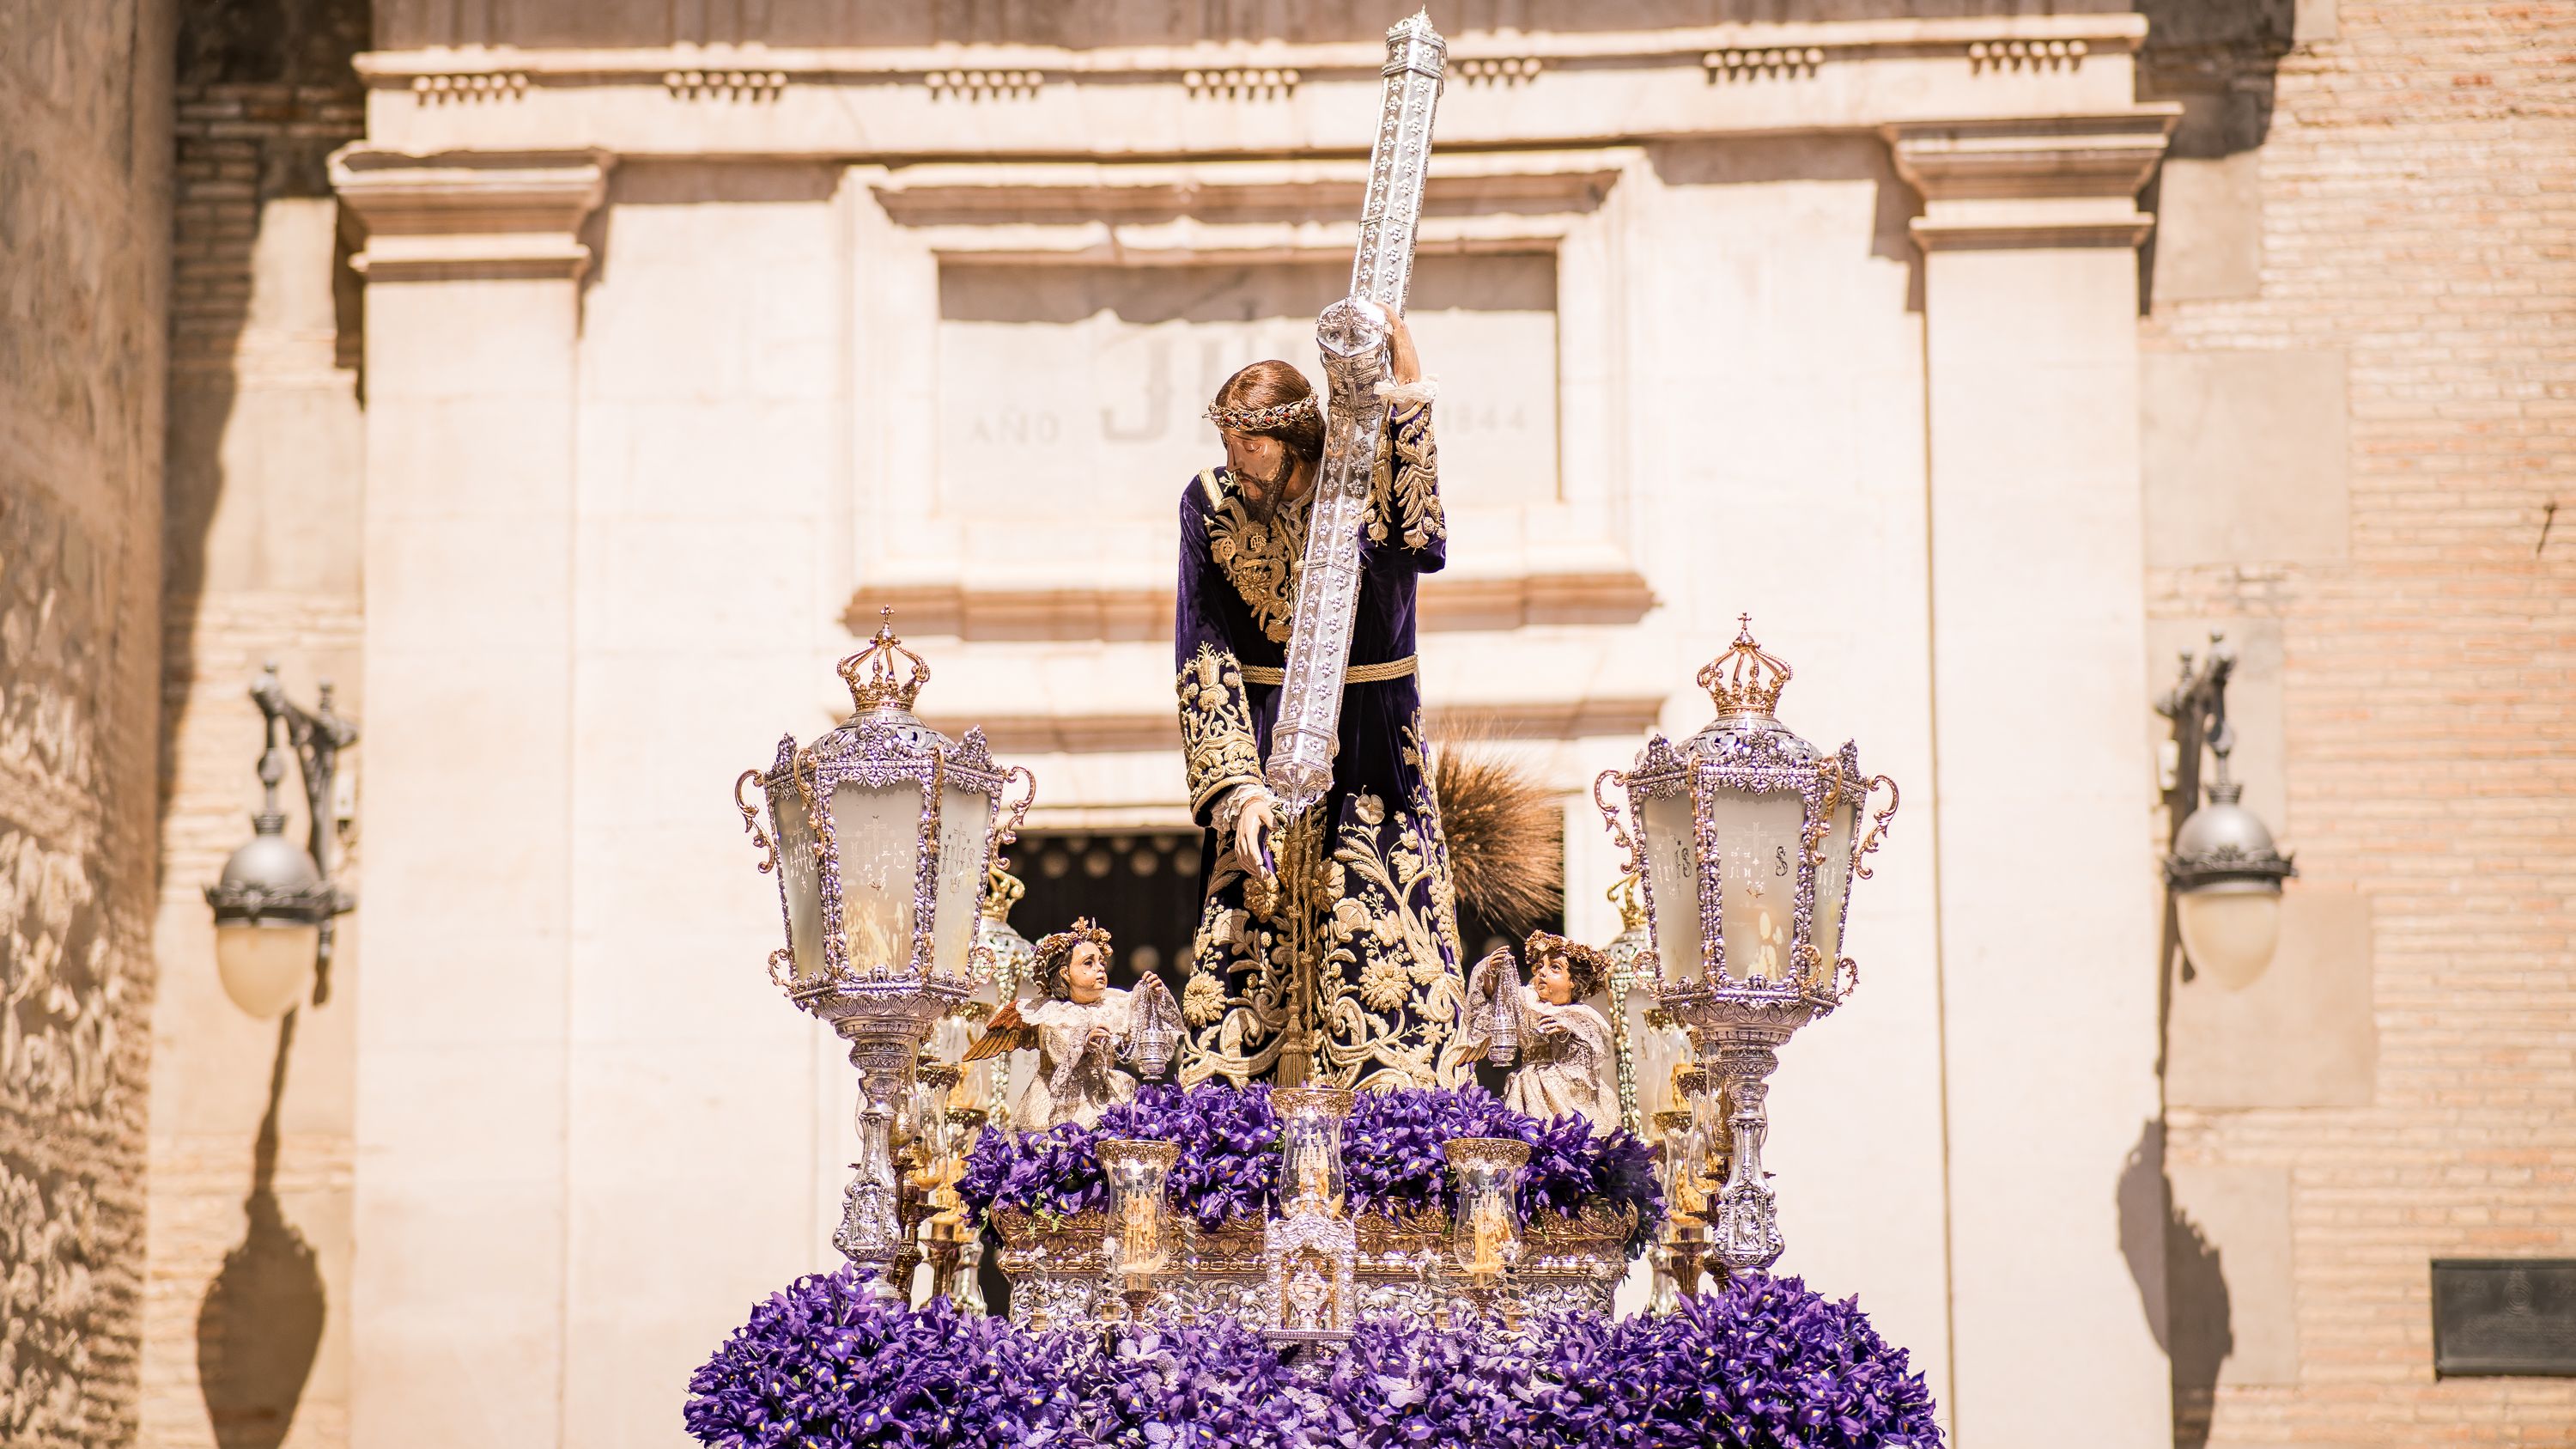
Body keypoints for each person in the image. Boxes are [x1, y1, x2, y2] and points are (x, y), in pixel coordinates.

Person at [1171, 312, 1471, 1091]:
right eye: (1228, 443)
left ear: (1293, 439)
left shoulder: (1361, 483)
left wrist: (1410, 401)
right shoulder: (1209, 505)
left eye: (1250, 445)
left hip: (1373, 752)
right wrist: (1236, 788)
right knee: (1249, 983)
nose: (1233, 462)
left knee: (1383, 966)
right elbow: (1204, 649)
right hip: (1265, 759)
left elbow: (1423, 541)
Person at [968, 919, 1179, 1130]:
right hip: (1061, 1102)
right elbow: (1059, 1045)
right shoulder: (1051, 1013)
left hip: (1106, 1094)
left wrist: (1154, 998)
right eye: (1088, 963)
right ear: (1065, 973)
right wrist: (1085, 1042)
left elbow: (1144, 1026)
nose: (1100, 969)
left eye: (1101, 963)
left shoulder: (1113, 1003)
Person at [1467, 931, 1620, 1131]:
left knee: (1569, 1136)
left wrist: (1569, 1033)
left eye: (1555, 967)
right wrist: (1489, 973)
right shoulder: (1527, 1002)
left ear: (1574, 981)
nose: (1542, 972)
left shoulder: (1581, 1016)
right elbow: (1498, 1004)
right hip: (1529, 1089)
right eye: (1539, 966)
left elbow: (1590, 1061)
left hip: (1568, 1096)